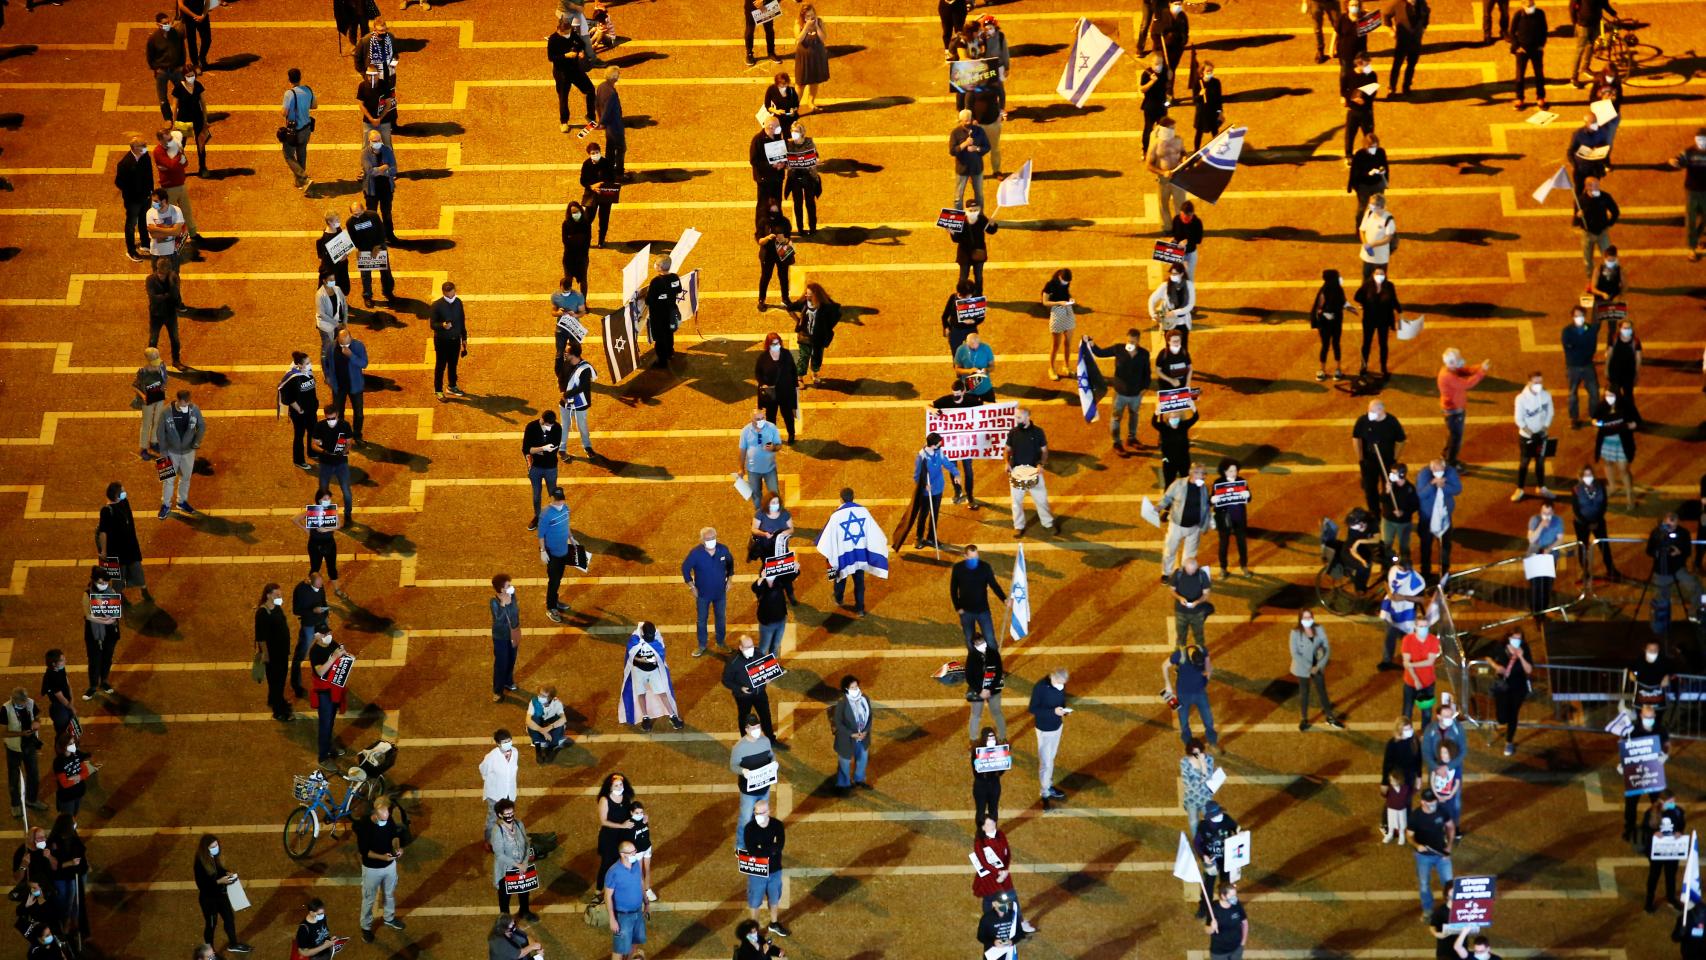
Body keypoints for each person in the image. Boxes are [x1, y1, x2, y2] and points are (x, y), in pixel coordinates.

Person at [971, 818, 1039, 934]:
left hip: (1003, 873)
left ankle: (1020, 923)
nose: (992, 825)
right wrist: (998, 872)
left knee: (1012, 897)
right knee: (989, 899)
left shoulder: (1000, 834)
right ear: (983, 827)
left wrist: (1005, 870)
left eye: (993, 823)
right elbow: (983, 862)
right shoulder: (979, 842)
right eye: (988, 824)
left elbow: (1007, 852)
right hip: (989, 877)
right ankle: (989, 923)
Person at [1088, 329, 1151, 451]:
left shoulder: (1144, 354)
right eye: (1128, 341)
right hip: (1120, 394)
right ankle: (1116, 443)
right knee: (1116, 418)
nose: (1130, 344)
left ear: (1138, 341)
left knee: (1134, 415)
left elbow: (1147, 373)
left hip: (1136, 394)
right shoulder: (1118, 349)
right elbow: (1100, 353)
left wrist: (1144, 389)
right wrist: (1091, 343)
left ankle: (1131, 438)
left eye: (1133, 342)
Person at [618, 623, 682, 733]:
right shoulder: (634, 640)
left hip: (653, 671)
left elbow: (661, 653)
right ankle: (645, 717)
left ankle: (672, 716)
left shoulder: (657, 639)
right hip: (639, 671)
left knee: (662, 693)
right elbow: (630, 653)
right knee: (641, 694)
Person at [684, 526, 736, 656]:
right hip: (702, 594)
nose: (711, 540)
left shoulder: (723, 550)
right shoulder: (695, 553)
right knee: (702, 620)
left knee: (721, 618)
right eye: (708, 539)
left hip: (720, 593)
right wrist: (692, 586)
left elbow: (730, 564)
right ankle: (702, 645)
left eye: (713, 538)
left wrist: (729, 580)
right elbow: (685, 569)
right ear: (702, 540)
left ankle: (721, 642)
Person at [192, 833, 249, 953]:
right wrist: (219, 881)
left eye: (216, 845)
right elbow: (202, 885)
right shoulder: (199, 863)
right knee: (211, 925)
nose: (216, 848)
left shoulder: (212, 857)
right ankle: (210, 953)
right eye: (212, 846)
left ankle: (233, 944)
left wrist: (226, 873)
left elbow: (218, 870)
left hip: (220, 896)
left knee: (229, 918)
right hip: (209, 901)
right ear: (205, 848)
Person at [741, 797, 790, 936]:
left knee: (774, 898)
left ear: (769, 811)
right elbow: (752, 851)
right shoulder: (749, 828)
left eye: (763, 813)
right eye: (757, 813)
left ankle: (774, 923)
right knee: (755, 901)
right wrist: (770, 850)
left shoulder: (777, 825)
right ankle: (753, 930)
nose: (759, 816)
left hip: (775, 870)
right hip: (757, 872)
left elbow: (779, 846)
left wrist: (762, 850)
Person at [152, 388, 202, 520]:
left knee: (186, 478)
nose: (187, 405)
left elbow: (202, 426)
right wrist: (163, 452)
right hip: (169, 451)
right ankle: (165, 505)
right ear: (179, 401)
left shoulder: (194, 409)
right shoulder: (166, 412)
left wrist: (196, 442)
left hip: (188, 452)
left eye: (188, 402)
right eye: (185, 403)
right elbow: (160, 432)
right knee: (168, 480)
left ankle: (182, 502)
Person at [1290, 610, 1344, 731]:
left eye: (1310, 617)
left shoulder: (1319, 629)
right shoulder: (1295, 633)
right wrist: (1310, 667)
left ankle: (1330, 717)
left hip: (1317, 666)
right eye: (1305, 618)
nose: (1308, 620)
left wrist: (1318, 666)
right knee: (1304, 693)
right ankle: (1304, 718)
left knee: (1322, 691)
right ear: (1300, 619)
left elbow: (1327, 647)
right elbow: (1295, 653)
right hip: (1303, 668)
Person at [1006, 407, 1055, 536]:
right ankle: (1019, 526)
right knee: (1016, 502)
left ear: (1027, 417)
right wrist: (1006, 462)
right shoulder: (1013, 432)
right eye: (1015, 417)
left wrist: (1041, 464)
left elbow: (1044, 451)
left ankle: (1048, 524)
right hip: (1017, 470)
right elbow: (1007, 450)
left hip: (1034, 471)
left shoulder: (1038, 432)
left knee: (1041, 500)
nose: (1016, 420)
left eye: (1019, 418)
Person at [730, 714, 776, 851]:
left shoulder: (765, 741)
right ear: (746, 729)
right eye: (753, 728)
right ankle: (740, 846)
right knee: (745, 819)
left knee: (762, 817)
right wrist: (743, 771)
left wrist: (774, 763)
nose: (756, 730)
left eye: (758, 727)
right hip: (748, 791)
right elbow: (733, 766)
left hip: (764, 787)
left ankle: (758, 841)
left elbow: (771, 755)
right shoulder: (739, 748)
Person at [1436, 349, 1489, 469]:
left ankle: (1446, 456)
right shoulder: (1448, 376)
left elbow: (1465, 370)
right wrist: (1481, 372)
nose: (1460, 361)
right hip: (1454, 411)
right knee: (1456, 438)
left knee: (1452, 435)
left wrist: (1480, 367)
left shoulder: (1449, 370)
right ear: (1451, 362)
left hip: (1452, 409)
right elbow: (1467, 384)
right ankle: (1451, 462)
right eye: (1457, 360)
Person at [1160, 462, 1214, 579]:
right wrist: (1158, 507)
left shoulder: (1204, 488)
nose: (1201, 476)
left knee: (1190, 555)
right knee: (1170, 550)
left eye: (1203, 474)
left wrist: (1208, 519)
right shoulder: (1178, 484)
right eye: (1198, 473)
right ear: (1191, 473)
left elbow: (1205, 506)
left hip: (1194, 527)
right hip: (1176, 525)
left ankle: (1185, 574)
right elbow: (1167, 497)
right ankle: (1166, 573)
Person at [1408, 789, 1456, 921]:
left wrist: (1449, 846)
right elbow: (1409, 835)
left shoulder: (1442, 811)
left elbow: (1450, 827)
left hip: (1442, 855)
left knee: (1449, 884)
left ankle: (1452, 909)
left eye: (1434, 801)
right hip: (1423, 857)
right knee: (1424, 884)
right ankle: (1428, 910)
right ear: (1423, 802)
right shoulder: (1415, 816)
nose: (1433, 804)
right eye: (1429, 802)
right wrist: (1417, 845)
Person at [1028, 668, 1070, 807]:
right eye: (1061, 683)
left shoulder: (1060, 685)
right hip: (1044, 730)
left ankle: (1048, 785)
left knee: (1050, 759)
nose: (1062, 686)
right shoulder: (1040, 688)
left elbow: (1061, 700)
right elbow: (1033, 709)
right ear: (1054, 678)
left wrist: (1063, 711)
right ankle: (1045, 793)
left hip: (1057, 726)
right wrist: (1053, 712)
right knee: (1046, 763)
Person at [308, 630, 350, 767]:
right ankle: (323, 758)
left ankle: (329, 747)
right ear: (316, 636)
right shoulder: (315, 652)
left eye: (328, 633)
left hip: (334, 688)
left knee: (330, 721)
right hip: (324, 692)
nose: (327, 636)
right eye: (324, 634)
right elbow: (320, 672)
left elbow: (340, 656)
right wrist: (333, 657)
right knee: (325, 725)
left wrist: (345, 655)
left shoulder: (332, 643)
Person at [724, 634, 778, 743]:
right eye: (747, 647)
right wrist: (739, 688)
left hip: (760, 693)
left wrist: (768, 677)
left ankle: (771, 739)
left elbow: (766, 668)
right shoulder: (733, 662)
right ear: (740, 647)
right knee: (744, 719)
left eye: (752, 645)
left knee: (765, 716)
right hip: (743, 696)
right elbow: (726, 680)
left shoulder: (758, 653)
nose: (751, 649)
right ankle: (745, 741)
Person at [1571, 465, 1620, 580]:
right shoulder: (1576, 489)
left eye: (1590, 474)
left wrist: (1597, 520)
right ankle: (1585, 571)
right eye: (1586, 475)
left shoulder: (1600, 486)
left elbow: (1604, 505)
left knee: (1604, 546)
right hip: (1581, 524)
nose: (1589, 477)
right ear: (1581, 477)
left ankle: (1611, 569)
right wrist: (1587, 523)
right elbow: (1576, 509)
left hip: (1598, 521)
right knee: (1583, 546)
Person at [1512, 370, 1555, 501]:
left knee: (1540, 461)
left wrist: (1544, 429)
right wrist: (1531, 434)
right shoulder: (1521, 399)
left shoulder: (1546, 395)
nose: (1539, 385)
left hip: (1542, 435)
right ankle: (1520, 489)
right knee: (1524, 462)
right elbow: (1518, 419)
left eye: (1541, 382)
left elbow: (1550, 413)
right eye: (1536, 382)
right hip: (1527, 437)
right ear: (1529, 382)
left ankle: (1541, 487)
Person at [4, 688, 47, 818]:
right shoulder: (5, 709)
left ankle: (31, 800)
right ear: (14, 700)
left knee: (34, 774)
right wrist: (21, 733)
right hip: (14, 749)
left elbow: (38, 717)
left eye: (25, 701)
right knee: (14, 777)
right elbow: (3, 732)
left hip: (30, 745)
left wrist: (36, 723)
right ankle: (15, 805)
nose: (25, 703)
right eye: (22, 702)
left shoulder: (30, 703)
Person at [1164, 643, 1217, 749]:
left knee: (1209, 721)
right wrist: (1167, 684)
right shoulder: (1179, 655)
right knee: (1184, 723)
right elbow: (1164, 665)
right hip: (1184, 695)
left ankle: (1212, 742)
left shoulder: (1203, 651)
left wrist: (1207, 678)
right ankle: (1189, 744)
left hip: (1200, 692)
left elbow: (1208, 666)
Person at [1592, 388, 1638, 510]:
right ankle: (1612, 486)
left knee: (1623, 470)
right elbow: (1595, 419)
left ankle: (1630, 495)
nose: (1609, 398)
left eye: (1611, 395)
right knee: (1608, 463)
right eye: (1606, 395)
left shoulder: (1626, 405)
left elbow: (1637, 420)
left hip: (1622, 442)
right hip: (1607, 442)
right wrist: (1598, 423)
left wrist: (1632, 425)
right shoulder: (1602, 406)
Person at [1416, 459, 1460, 584]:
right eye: (1434, 470)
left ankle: (1444, 573)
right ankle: (1425, 573)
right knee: (1426, 546)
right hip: (1427, 518)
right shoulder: (1424, 474)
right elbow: (1420, 495)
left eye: (1439, 470)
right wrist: (1432, 485)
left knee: (1445, 547)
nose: (1437, 472)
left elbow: (1458, 489)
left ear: (1444, 467)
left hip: (1445, 517)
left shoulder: (1450, 472)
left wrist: (1444, 486)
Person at [549, 16, 595, 134]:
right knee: (563, 97)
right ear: (558, 29)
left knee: (590, 90)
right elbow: (551, 57)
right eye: (565, 33)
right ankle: (564, 122)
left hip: (575, 69)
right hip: (561, 72)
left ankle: (590, 115)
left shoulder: (572, 34)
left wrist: (580, 51)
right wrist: (565, 56)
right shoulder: (553, 39)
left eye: (569, 32)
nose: (568, 35)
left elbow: (580, 43)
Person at [255, 583, 294, 722]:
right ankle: (279, 711)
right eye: (277, 595)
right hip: (273, 655)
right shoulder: (262, 613)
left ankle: (276, 700)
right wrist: (265, 654)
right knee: (276, 681)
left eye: (280, 594)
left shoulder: (276, 608)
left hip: (282, 652)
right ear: (268, 595)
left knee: (280, 679)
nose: (280, 597)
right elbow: (261, 637)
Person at [536, 487, 576, 624]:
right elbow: (541, 535)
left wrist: (571, 538)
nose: (560, 502)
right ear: (552, 498)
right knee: (553, 581)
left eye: (561, 499)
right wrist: (543, 551)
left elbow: (566, 524)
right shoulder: (545, 514)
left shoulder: (566, 508)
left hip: (563, 550)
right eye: (557, 499)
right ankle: (551, 607)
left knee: (558, 579)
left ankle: (554, 600)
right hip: (552, 553)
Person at [1649, 513, 1704, 607]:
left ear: (1677, 522)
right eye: (1668, 525)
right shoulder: (1656, 533)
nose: (1670, 529)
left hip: (1678, 568)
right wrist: (1659, 552)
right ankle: (1663, 618)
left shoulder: (1684, 533)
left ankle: (1697, 611)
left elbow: (1688, 551)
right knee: (1661, 598)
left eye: (1673, 526)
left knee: (1696, 586)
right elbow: (1649, 550)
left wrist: (1680, 552)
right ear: (1663, 522)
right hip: (1661, 570)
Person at [1644, 791, 1687, 912]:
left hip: (1672, 850)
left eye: (1674, 801)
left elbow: (1682, 825)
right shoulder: (1651, 813)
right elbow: (1645, 829)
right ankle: (1649, 900)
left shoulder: (1678, 811)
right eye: (1670, 802)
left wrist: (1680, 832)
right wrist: (1654, 833)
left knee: (1671, 875)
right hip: (1657, 851)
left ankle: (1671, 897)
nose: (1674, 804)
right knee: (1654, 876)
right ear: (1662, 802)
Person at [324, 326, 367, 444]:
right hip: (338, 387)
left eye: (347, 344)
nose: (344, 346)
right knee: (339, 414)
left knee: (358, 414)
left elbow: (364, 363)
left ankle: (357, 435)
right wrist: (327, 376)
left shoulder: (358, 346)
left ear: (351, 338)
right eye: (342, 344)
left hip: (355, 387)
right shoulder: (331, 347)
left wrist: (351, 355)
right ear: (338, 339)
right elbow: (326, 363)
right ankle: (341, 437)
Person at [1354, 264, 1400, 377]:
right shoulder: (1367, 285)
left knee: (1383, 344)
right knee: (1366, 344)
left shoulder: (1389, 286)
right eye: (1377, 274)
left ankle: (1383, 367)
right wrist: (1366, 304)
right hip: (1369, 320)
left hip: (1384, 320)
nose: (1380, 276)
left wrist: (1400, 311)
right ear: (1373, 275)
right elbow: (1357, 297)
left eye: (1382, 274)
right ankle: (1363, 366)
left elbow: (1394, 300)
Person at [311, 404, 355, 522]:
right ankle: (324, 515)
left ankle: (348, 515)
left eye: (333, 418)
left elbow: (349, 442)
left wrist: (344, 451)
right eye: (328, 418)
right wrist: (324, 452)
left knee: (346, 491)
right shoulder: (320, 426)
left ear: (337, 415)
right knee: (323, 491)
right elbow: (313, 444)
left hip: (341, 463)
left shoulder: (344, 425)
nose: (330, 421)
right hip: (326, 463)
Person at [828, 675, 872, 792]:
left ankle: (859, 780)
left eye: (856, 686)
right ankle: (843, 785)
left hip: (862, 737)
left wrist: (865, 731)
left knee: (862, 760)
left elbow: (870, 717)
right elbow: (837, 722)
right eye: (852, 687)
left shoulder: (865, 699)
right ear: (846, 689)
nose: (855, 689)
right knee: (845, 763)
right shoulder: (842, 703)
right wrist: (851, 734)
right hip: (846, 739)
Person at [290, 573, 330, 698]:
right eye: (318, 583)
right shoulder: (301, 590)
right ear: (310, 581)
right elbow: (296, 611)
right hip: (308, 624)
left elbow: (323, 600)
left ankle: (324, 678)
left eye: (321, 583)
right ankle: (296, 685)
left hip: (321, 621)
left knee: (326, 650)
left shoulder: (320, 587)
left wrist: (325, 612)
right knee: (301, 654)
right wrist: (312, 611)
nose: (321, 586)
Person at [116, 137, 156, 263]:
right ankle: (131, 251)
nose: (145, 148)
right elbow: (119, 183)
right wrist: (132, 193)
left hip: (145, 196)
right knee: (131, 225)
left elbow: (150, 174)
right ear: (134, 148)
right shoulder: (125, 164)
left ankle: (145, 243)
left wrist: (150, 191)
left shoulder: (145, 156)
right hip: (133, 201)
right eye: (142, 146)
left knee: (144, 219)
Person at [790, 283, 838, 385]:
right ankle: (799, 378)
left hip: (819, 337)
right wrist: (798, 321)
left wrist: (826, 328)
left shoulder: (825, 305)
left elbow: (836, 314)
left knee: (817, 356)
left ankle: (815, 374)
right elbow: (790, 308)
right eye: (806, 294)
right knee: (804, 357)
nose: (807, 296)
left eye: (809, 295)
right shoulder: (803, 303)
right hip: (805, 336)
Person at [640, 256, 682, 370]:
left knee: (659, 337)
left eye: (656, 264)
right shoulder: (675, 277)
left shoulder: (655, 282)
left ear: (660, 267)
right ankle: (670, 352)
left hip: (658, 315)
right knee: (669, 332)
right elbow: (678, 290)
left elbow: (649, 301)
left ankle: (662, 361)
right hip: (671, 311)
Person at [1672, 127, 1706, 261]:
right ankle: (1691, 248)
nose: (1701, 142)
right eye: (1699, 140)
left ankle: (1696, 239)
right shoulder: (1689, 152)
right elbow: (1678, 159)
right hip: (1692, 190)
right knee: (1691, 219)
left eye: (1703, 140)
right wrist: (1674, 162)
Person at [1194, 800, 1239, 902]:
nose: (1220, 815)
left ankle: (1226, 902)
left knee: (1226, 884)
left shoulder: (1226, 819)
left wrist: (1240, 832)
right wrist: (1204, 856)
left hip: (1226, 858)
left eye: (1220, 813)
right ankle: (1204, 906)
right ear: (1211, 817)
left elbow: (1237, 828)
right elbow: (1197, 843)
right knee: (1208, 884)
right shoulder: (1203, 826)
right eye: (1217, 814)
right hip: (1211, 859)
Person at [1146, 118, 1187, 229]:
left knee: (1180, 204)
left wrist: (1184, 157)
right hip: (1164, 180)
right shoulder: (1155, 144)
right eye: (1171, 128)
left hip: (1179, 177)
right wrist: (1162, 172)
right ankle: (1167, 227)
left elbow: (1183, 151)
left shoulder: (1178, 140)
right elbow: (1148, 165)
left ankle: (1180, 227)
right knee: (1163, 204)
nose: (1174, 130)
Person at [1525, 501, 1564, 613]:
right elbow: (1531, 539)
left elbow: (1560, 539)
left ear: (1553, 512)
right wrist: (1541, 525)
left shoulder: (1558, 520)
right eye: (1544, 512)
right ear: (1540, 511)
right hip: (1534, 556)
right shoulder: (1535, 520)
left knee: (1547, 585)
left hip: (1549, 557)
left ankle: (1544, 609)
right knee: (1535, 586)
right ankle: (1535, 611)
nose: (1546, 515)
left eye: (1549, 513)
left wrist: (1549, 548)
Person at [361, 129, 398, 244]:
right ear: (369, 141)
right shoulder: (365, 153)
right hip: (372, 189)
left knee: (387, 213)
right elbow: (369, 171)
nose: (377, 142)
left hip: (386, 188)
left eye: (379, 140)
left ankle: (389, 236)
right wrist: (384, 168)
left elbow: (394, 170)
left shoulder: (387, 150)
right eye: (374, 140)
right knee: (371, 214)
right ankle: (372, 238)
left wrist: (381, 171)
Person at [480, 730, 520, 838]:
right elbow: (483, 769)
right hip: (495, 794)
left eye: (509, 740)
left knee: (509, 816)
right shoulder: (491, 757)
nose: (508, 743)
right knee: (492, 818)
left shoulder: (515, 752)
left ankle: (507, 835)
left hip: (509, 793)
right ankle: (488, 839)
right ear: (498, 744)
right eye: (504, 741)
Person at [1577, 177, 1620, 276]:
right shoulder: (1581, 200)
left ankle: (1610, 278)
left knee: (1609, 258)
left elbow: (1616, 212)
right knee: (1587, 259)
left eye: (1598, 185)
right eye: (1595, 185)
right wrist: (1578, 216)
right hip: (1587, 234)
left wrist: (1609, 224)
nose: (1598, 187)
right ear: (1588, 186)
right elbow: (1576, 219)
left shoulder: (1605, 197)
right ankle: (1591, 279)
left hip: (1602, 233)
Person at [1510, 0, 1549, 110]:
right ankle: (1519, 98)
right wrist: (1517, 46)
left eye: (1532, 6)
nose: (1530, 8)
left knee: (1539, 75)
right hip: (1522, 50)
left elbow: (1544, 30)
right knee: (1519, 76)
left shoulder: (1540, 13)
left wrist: (1542, 44)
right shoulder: (1518, 15)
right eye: (1528, 6)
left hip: (1536, 49)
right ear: (1523, 6)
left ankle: (1541, 97)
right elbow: (1512, 32)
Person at [1401, 618, 1442, 721]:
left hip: (1428, 682)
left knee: (1427, 712)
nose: (1423, 629)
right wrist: (1416, 680)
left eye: (1425, 626)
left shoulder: (1433, 640)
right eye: (1420, 626)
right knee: (1407, 710)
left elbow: (1430, 661)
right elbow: (1406, 663)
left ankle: (1425, 733)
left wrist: (1411, 664)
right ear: (1415, 627)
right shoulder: (1407, 640)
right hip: (1410, 682)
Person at [966, 633, 1005, 741]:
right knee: (975, 715)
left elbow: (999, 673)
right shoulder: (972, 657)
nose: (981, 645)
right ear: (974, 645)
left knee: (997, 713)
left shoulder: (993, 653)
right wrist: (980, 691)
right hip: (979, 692)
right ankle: (973, 740)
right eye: (978, 644)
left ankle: (1002, 738)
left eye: (982, 642)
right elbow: (969, 677)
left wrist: (990, 689)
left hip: (994, 690)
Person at [954, 201, 999, 294]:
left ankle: (978, 294)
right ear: (965, 210)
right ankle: (962, 294)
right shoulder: (960, 221)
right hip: (964, 254)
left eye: (976, 210)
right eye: (971, 210)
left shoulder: (982, 219)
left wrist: (993, 225)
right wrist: (952, 232)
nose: (974, 212)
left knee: (978, 277)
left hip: (978, 253)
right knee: (963, 277)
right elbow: (956, 239)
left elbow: (991, 231)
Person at [1039, 269, 1077, 381]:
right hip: (1056, 313)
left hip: (1068, 311)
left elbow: (1065, 294)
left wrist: (1069, 299)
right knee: (1056, 345)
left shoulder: (1066, 282)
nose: (1066, 283)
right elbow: (1045, 302)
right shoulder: (1050, 285)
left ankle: (1066, 367)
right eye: (1064, 281)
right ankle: (1051, 368)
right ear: (1060, 276)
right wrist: (1059, 303)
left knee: (1068, 343)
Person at [949, 109, 990, 211]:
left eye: (969, 120)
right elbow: (952, 151)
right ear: (960, 121)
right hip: (962, 170)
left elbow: (987, 147)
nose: (968, 123)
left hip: (976, 168)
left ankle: (980, 218)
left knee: (979, 195)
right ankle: (959, 220)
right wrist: (964, 144)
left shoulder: (979, 131)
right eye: (965, 121)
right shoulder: (955, 133)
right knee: (958, 197)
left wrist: (977, 148)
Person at [1149, 263, 1196, 348]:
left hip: (1182, 322)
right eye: (1171, 273)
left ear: (1181, 273)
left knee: (1183, 347)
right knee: (1169, 347)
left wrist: (1174, 312)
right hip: (1169, 322)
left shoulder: (1189, 285)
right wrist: (1153, 314)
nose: (1172, 275)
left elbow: (1190, 305)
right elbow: (1152, 300)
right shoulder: (1165, 286)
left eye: (1175, 274)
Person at [1341, 53, 1377, 163]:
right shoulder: (1349, 75)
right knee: (1350, 134)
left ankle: (1370, 155)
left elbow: (1374, 91)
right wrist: (1348, 98)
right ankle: (1348, 155)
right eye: (1366, 64)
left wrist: (1364, 99)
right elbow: (1344, 90)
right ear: (1359, 64)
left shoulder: (1372, 75)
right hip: (1353, 110)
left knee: (1369, 135)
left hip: (1366, 110)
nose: (1369, 66)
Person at [792, 5, 829, 113]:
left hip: (817, 57)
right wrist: (806, 27)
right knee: (800, 85)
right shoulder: (798, 24)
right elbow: (798, 40)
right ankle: (794, 108)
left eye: (813, 15)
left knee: (815, 81)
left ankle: (811, 102)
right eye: (808, 16)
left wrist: (817, 26)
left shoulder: (820, 22)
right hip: (803, 59)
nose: (811, 18)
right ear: (803, 17)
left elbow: (823, 38)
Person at [1179, 738, 1217, 836]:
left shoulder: (1209, 759)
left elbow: (1209, 777)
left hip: (1205, 797)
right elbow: (1186, 782)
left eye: (1198, 752)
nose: (1197, 755)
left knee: (1210, 820)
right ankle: (1197, 843)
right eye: (1194, 753)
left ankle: (1211, 840)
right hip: (1192, 798)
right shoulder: (1184, 762)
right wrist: (1202, 778)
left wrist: (1203, 766)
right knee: (1193, 822)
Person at [594, 66, 626, 178]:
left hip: (608, 127)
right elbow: (608, 110)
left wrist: (600, 119)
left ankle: (608, 171)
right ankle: (619, 173)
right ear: (614, 77)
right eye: (617, 75)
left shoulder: (601, 86)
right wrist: (602, 122)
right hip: (615, 125)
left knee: (610, 149)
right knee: (620, 149)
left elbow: (597, 104)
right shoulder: (611, 93)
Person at [1203, 881, 1247, 960]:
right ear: (1223, 896)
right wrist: (1212, 928)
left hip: (1236, 948)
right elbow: (1207, 929)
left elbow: (1244, 922)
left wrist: (1242, 942)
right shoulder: (1213, 908)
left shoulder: (1236, 904)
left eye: (1235, 895)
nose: (1235, 898)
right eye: (1232, 895)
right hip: (1219, 952)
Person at [971, 725, 1006, 824]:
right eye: (989, 737)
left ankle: (992, 833)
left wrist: (1004, 763)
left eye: (993, 737)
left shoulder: (999, 750)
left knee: (993, 811)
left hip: (994, 785)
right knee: (980, 811)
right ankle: (980, 833)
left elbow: (1000, 773)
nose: (991, 739)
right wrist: (982, 767)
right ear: (984, 739)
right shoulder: (977, 752)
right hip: (981, 786)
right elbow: (976, 774)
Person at [525, 685, 568, 763]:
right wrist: (543, 731)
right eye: (539, 694)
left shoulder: (557, 703)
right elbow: (528, 720)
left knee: (558, 721)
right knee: (533, 720)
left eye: (543, 696)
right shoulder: (534, 701)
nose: (539, 697)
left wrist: (548, 728)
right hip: (540, 725)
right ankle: (537, 746)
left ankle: (551, 747)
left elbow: (563, 719)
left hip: (549, 724)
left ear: (550, 697)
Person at [953, 329, 996, 402]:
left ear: (979, 342)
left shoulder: (986, 348)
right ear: (967, 343)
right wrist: (969, 371)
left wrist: (986, 370)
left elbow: (992, 366)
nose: (975, 349)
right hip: (968, 389)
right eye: (971, 347)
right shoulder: (961, 350)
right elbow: (957, 369)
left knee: (991, 408)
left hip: (985, 387)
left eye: (977, 346)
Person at [1606, 318, 1642, 402]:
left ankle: (1629, 413)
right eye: (1625, 328)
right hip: (1615, 372)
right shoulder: (1614, 338)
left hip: (1628, 374)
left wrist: (1636, 374)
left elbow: (1638, 359)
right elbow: (1609, 354)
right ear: (1620, 328)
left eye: (1629, 328)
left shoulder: (1635, 341)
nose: (1627, 330)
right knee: (1614, 396)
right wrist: (1606, 369)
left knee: (1628, 396)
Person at [1139, 57, 1170, 152]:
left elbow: (1168, 83)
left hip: (1162, 106)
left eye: (1159, 63)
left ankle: (1161, 149)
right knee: (1148, 129)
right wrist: (1152, 81)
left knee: (1163, 129)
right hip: (1150, 106)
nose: (1158, 66)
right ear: (1151, 64)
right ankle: (1145, 149)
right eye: (1155, 64)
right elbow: (1142, 89)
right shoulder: (1146, 73)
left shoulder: (1165, 71)